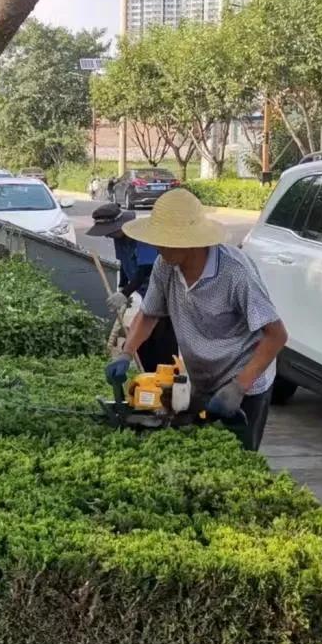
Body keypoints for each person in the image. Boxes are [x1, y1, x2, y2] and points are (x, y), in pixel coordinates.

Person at [105, 189, 288, 451]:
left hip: (244, 382)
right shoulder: (165, 265)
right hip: (203, 379)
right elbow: (149, 314)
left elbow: (277, 335)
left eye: (165, 240)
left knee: (239, 459)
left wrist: (239, 386)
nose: (157, 246)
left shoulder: (235, 272)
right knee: (204, 452)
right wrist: (126, 353)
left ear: (190, 242)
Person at [86, 202, 178, 372]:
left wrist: (126, 292)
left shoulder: (143, 236)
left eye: (110, 232)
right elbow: (124, 263)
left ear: (121, 225)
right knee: (143, 343)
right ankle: (146, 374)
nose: (108, 236)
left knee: (161, 339)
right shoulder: (119, 238)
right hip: (145, 295)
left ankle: (166, 380)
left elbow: (146, 269)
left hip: (164, 294)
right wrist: (122, 289)